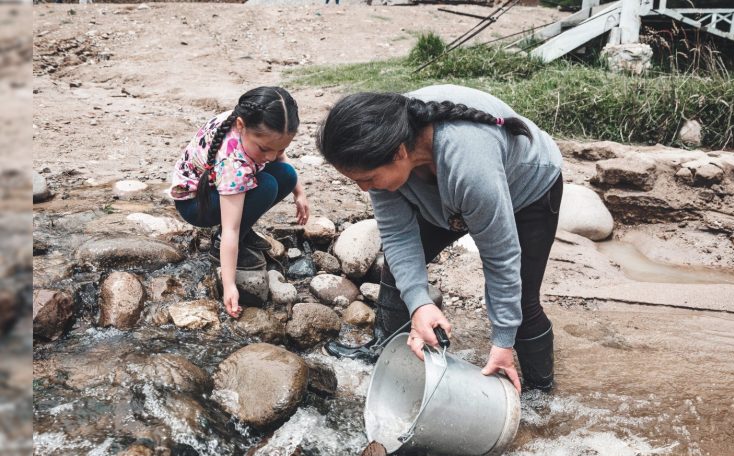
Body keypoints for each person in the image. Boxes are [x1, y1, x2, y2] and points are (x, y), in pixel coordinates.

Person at [316, 84, 563, 393]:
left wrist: (502, 342)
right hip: (444, 193)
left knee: (522, 303)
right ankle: (386, 350)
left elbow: (500, 258)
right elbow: (397, 235)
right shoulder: (380, 142)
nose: (365, 189)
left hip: (527, 190)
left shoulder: (469, 167)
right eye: (357, 182)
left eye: (367, 180)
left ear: (399, 153)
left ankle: (541, 394)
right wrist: (419, 304)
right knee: (399, 265)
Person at [170, 86, 309, 319]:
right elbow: (231, 230)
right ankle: (217, 245)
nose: (271, 157)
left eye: (281, 148)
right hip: (196, 205)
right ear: (242, 126)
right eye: (264, 149)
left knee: (286, 175)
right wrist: (230, 285)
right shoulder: (232, 163)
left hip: (216, 186)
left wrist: (299, 192)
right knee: (266, 186)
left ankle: (243, 230)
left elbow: (276, 153)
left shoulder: (244, 122)